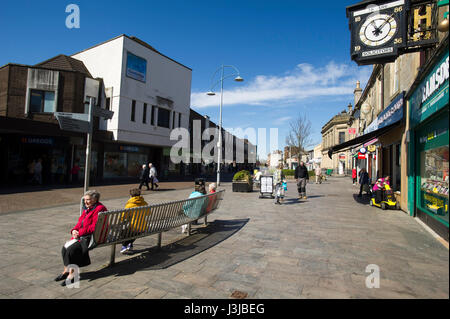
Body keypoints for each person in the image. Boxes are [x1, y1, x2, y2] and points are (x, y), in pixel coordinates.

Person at [56, 190, 107, 286]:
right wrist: (74, 230)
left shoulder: (100, 209)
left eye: (88, 199)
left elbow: (95, 227)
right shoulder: (88, 208)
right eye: (85, 200)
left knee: (72, 250)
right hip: (84, 235)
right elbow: (80, 222)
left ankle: (73, 276)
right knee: (64, 248)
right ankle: (66, 271)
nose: (85, 202)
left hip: (93, 237)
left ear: (95, 199)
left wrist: (80, 233)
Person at [120, 188, 149, 254]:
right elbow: (148, 213)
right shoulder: (144, 203)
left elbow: (123, 217)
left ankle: (124, 245)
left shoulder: (129, 204)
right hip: (143, 227)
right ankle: (130, 244)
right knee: (132, 232)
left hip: (134, 227)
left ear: (131, 196)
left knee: (123, 232)